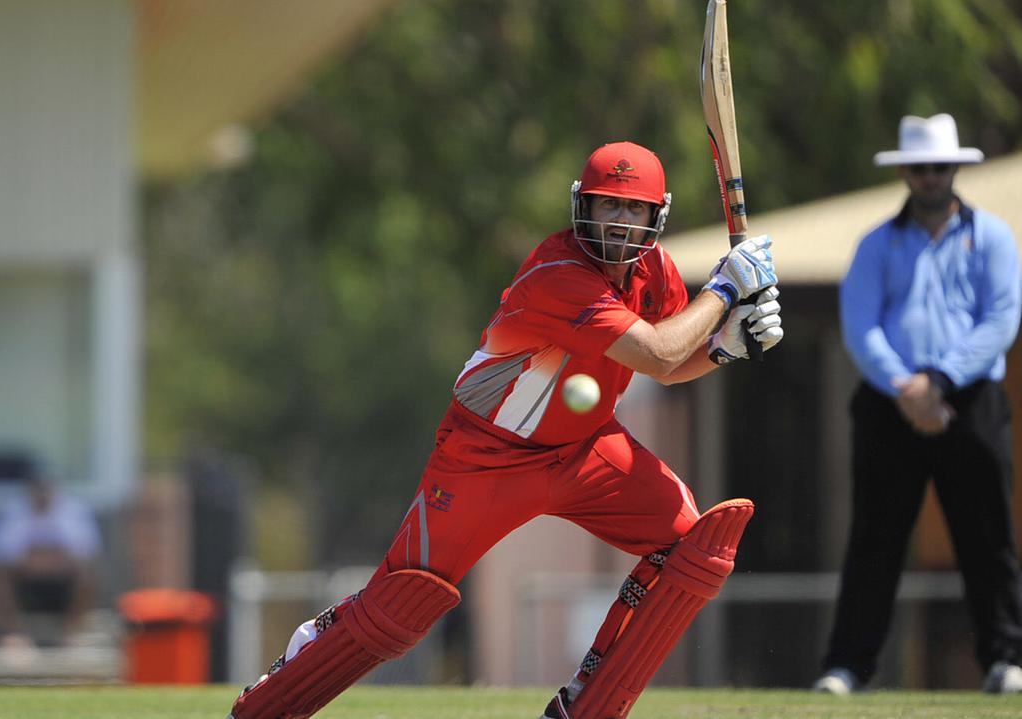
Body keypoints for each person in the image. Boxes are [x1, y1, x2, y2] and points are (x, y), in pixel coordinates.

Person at [228, 141, 783, 719]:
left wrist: (726, 349)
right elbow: (662, 354)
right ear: (582, 208)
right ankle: (277, 692)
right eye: (607, 206)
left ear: (656, 215)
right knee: (401, 605)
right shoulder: (558, 274)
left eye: (633, 209)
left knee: (692, 549)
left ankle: (584, 706)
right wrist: (724, 292)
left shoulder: (655, 272)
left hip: (583, 449)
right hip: (485, 456)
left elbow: (673, 365)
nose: (620, 222)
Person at [814, 113, 1022, 695]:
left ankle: (1006, 658)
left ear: (954, 167)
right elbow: (861, 327)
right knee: (875, 539)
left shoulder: (994, 238)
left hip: (970, 400)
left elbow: (1000, 321)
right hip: (890, 403)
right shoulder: (877, 243)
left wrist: (942, 380)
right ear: (906, 171)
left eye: (939, 166)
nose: (930, 176)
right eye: (921, 167)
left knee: (988, 536)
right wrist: (908, 386)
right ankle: (848, 666)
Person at [0, 473, 101, 653]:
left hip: (63, 580)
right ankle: (15, 637)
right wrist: (32, 561)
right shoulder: (14, 511)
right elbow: (2, 553)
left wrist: (52, 561)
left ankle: (72, 637)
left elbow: (85, 550)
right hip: (25, 580)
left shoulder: (74, 510)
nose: (41, 498)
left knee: (88, 575)